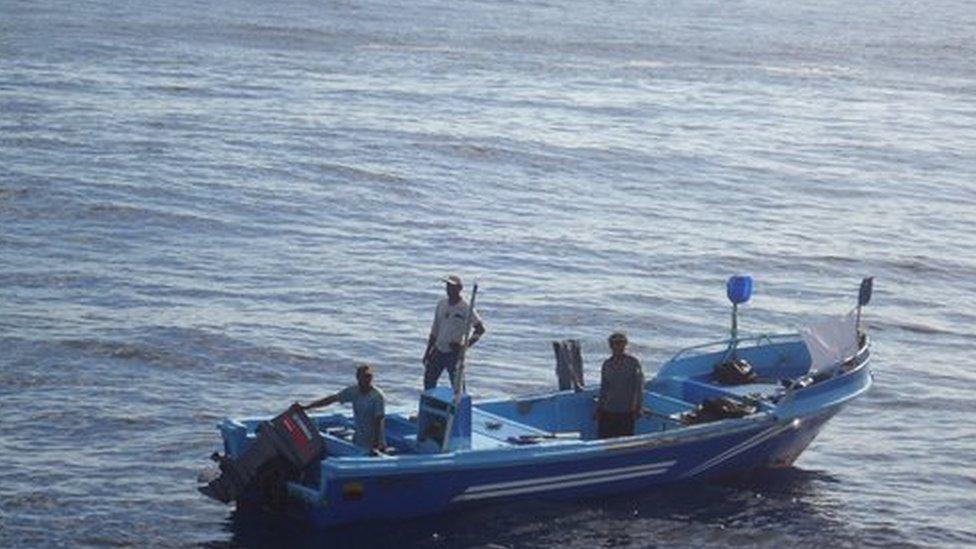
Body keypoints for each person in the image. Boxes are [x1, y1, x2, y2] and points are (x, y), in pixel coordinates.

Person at [300, 365, 386, 452]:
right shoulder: (354, 391)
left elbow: (379, 421)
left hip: (374, 442)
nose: (367, 379)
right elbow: (332, 399)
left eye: (369, 376)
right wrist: (307, 407)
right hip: (358, 439)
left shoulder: (377, 396)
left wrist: (376, 446)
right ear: (358, 377)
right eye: (364, 376)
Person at [422, 275, 486, 391]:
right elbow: (435, 330)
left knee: (458, 387)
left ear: (459, 288)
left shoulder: (465, 307)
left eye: (452, 287)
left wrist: (465, 346)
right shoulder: (441, 304)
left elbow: (480, 329)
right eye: (448, 287)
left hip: (453, 353)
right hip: (438, 350)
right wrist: (428, 351)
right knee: (429, 382)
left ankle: (460, 406)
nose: (449, 290)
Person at [594, 332, 644, 438]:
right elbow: (604, 388)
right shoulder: (607, 364)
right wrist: (599, 408)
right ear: (611, 346)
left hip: (626, 410)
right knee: (604, 439)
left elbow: (639, 386)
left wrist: (638, 407)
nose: (618, 346)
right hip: (608, 409)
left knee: (624, 441)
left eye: (621, 343)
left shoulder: (633, 362)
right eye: (615, 343)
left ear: (625, 344)